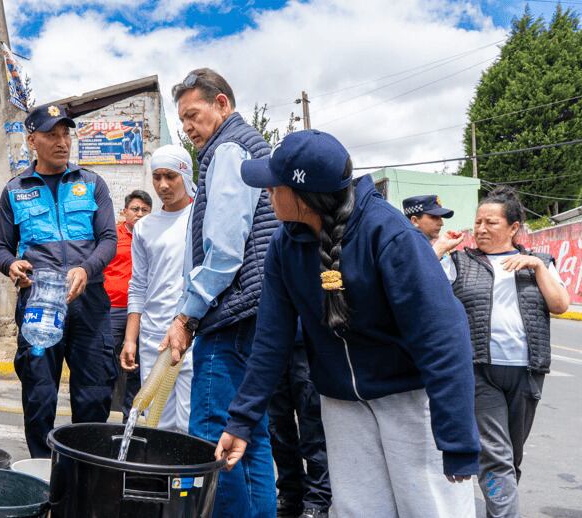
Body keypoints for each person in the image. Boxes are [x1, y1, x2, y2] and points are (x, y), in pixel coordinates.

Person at [215, 129, 480, 518]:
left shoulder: (387, 234)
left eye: (274, 184)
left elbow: (443, 336)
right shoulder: (284, 247)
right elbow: (270, 342)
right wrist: (240, 421)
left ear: (303, 194)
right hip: (341, 407)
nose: (266, 191)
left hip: (409, 400)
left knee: (430, 510)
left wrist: (458, 440)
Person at [161, 68, 278, 517]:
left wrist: (187, 315)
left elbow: (225, 251)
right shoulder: (249, 146)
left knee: (215, 436)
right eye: (183, 120)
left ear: (222, 104)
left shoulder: (228, 149)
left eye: (194, 114)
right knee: (250, 432)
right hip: (257, 312)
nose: (189, 127)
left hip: (230, 316)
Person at [435, 187, 569, 517]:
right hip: (480, 370)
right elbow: (424, 290)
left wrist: (537, 267)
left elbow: (560, 305)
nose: (480, 228)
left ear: (513, 227)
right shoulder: (459, 262)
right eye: (477, 222)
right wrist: (438, 249)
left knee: (512, 456)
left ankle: (501, 504)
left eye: (490, 222)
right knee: (495, 455)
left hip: (527, 370)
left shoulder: (539, 262)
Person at [0, 103, 118, 458]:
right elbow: (1, 249)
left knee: (93, 395)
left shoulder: (92, 183)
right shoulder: (15, 190)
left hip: (89, 303)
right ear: (32, 140)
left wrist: (87, 269)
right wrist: (11, 266)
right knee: (39, 394)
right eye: (52, 135)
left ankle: (86, 475)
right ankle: (44, 476)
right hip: (38, 304)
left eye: (66, 134)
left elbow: (108, 239)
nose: (62, 142)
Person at [121, 145, 195, 432]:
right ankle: (160, 480)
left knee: (190, 424)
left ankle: (189, 480)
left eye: (171, 176)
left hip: (191, 334)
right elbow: (138, 284)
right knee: (155, 425)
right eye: (157, 177)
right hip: (153, 337)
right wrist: (131, 339)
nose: (163, 185)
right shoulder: (145, 227)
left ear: (186, 175)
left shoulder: (200, 218)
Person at [267, 327, 331, 518]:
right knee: (277, 425)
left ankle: (319, 498)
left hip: (308, 340)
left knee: (312, 425)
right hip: (274, 341)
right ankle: (290, 492)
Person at [104, 189, 152, 418]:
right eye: (135, 209)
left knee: (136, 366)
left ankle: (129, 419)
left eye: (145, 210)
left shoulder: (153, 237)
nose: (140, 214)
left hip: (142, 312)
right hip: (113, 309)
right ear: (124, 212)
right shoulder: (111, 237)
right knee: (106, 363)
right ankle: (100, 416)